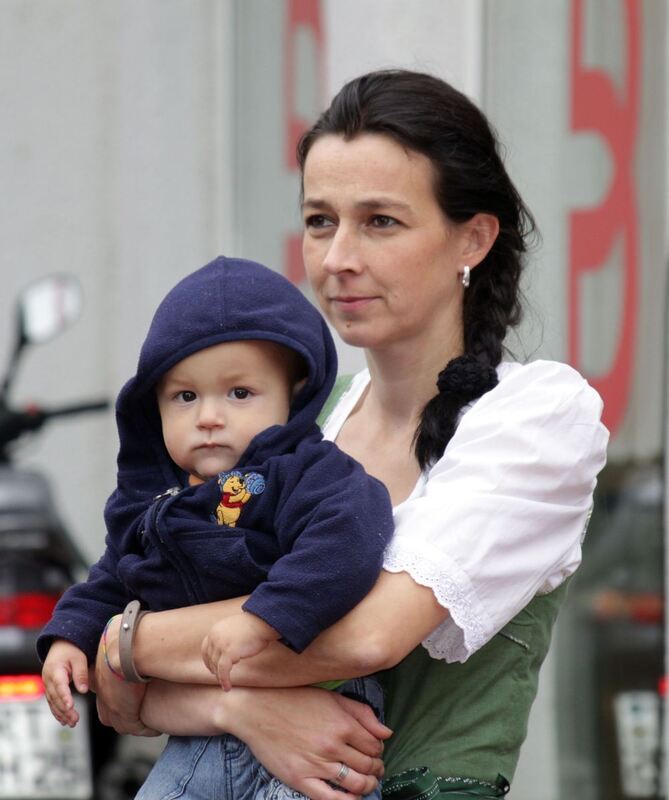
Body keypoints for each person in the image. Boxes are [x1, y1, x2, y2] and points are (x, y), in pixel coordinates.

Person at [89, 69, 608, 800]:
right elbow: (123, 694)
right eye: (319, 220)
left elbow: (369, 636)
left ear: (473, 238)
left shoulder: (534, 417)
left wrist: (125, 642)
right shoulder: (297, 417)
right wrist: (235, 706)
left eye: (380, 222)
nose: (337, 260)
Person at [38, 257, 395, 798]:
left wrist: (262, 618)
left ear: (293, 395)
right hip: (199, 732)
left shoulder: (301, 473)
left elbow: (347, 542)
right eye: (185, 396)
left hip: (320, 707)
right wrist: (69, 638)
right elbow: (112, 576)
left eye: (239, 393)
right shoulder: (154, 504)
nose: (208, 416)